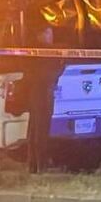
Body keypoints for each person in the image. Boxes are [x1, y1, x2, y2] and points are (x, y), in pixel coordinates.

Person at [23, 23, 62, 174]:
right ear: (39, 35)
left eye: (51, 33)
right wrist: (60, 68)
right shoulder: (39, 53)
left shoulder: (45, 52)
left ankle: (34, 165)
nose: (51, 37)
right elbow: (47, 74)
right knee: (40, 130)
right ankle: (40, 165)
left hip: (41, 94)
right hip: (39, 95)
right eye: (47, 33)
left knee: (36, 129)